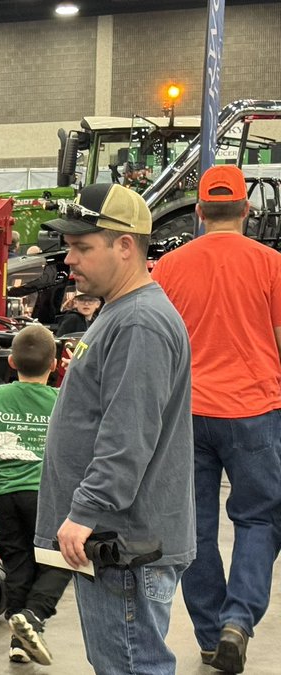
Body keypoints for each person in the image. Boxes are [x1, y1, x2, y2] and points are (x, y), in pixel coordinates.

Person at [34, 182, 194, 675]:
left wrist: (88, 510)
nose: (70, 260)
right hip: (116, 541)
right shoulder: (121, 312)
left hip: (121, 544)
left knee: (131, 666)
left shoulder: (138, 323)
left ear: (125, 246)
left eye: (83, 247)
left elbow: (128, 433)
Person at [152, 164, 281, 674]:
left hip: (185, 414)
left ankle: (209, 637)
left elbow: (158, 345)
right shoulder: (271, 264)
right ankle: (238, 622)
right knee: (260, 518)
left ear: (200, 211)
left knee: (194, 528)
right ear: (247, 210)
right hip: (254, 410)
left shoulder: (169, 267)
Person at [0, 323, 72, 665]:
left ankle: (19, 640)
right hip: (46, 495)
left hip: (5, 495)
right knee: (62, 558)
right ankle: (36, 615)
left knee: (18, 562)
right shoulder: (60, 400)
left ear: (11, 362)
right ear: (54, 366)